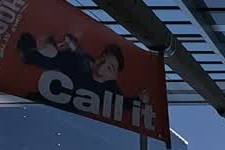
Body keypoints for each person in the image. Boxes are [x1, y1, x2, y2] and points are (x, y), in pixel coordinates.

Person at [17, 33, 148, 113]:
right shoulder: (84, 62)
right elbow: (70, 55)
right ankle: (30, 53)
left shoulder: (111, 89)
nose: (102, 65)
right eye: (103, 58)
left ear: (114, 76)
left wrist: (139, 101)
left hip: (57, 111)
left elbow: (127, 104)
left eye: (110, 68)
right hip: (40, 98)